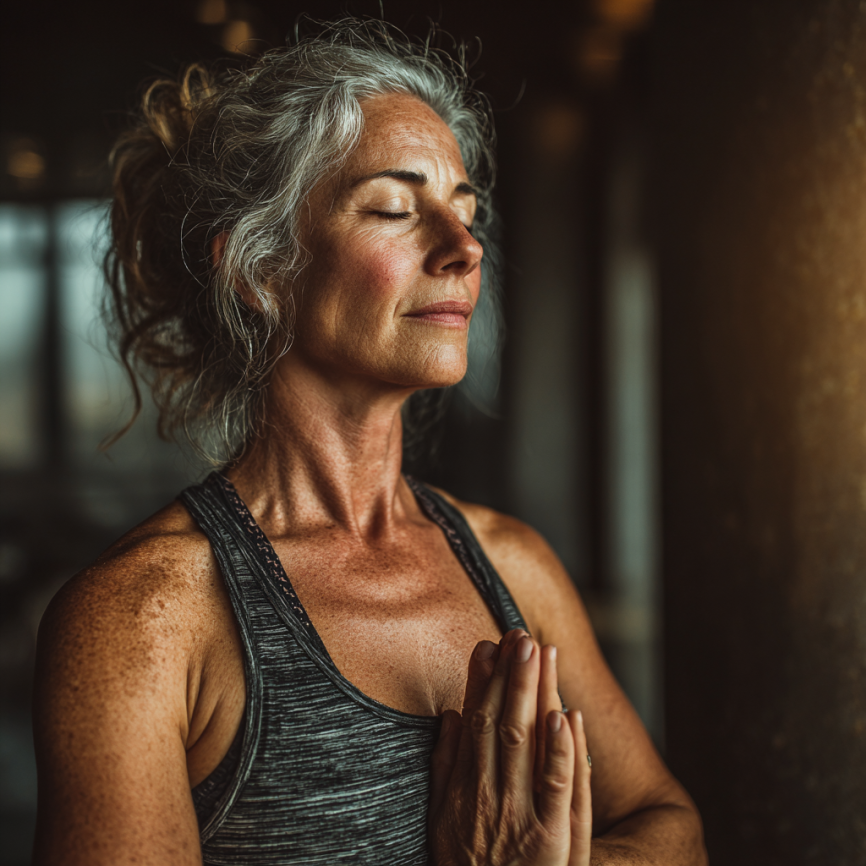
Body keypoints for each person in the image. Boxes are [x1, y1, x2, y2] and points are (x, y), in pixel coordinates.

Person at [31, 19, 707, 866]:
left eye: (467, 211)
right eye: (394, 208)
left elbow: (672, 828)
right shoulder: (144, 621)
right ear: (260, 271)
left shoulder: (514, 566)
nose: (465, 248)